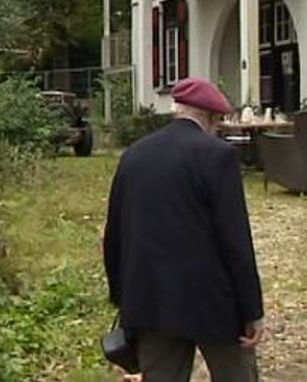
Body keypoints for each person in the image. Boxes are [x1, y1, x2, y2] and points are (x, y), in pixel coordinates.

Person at [103, 77, 264, 382]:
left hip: (151, 299)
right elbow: (235, 241)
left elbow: (114, 237)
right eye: (218, 124)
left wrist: (124, 299)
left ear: (179, 109)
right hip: (214, 301)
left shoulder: (134, 155)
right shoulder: (218, 155)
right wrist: (252, 310)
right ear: (211, 117)